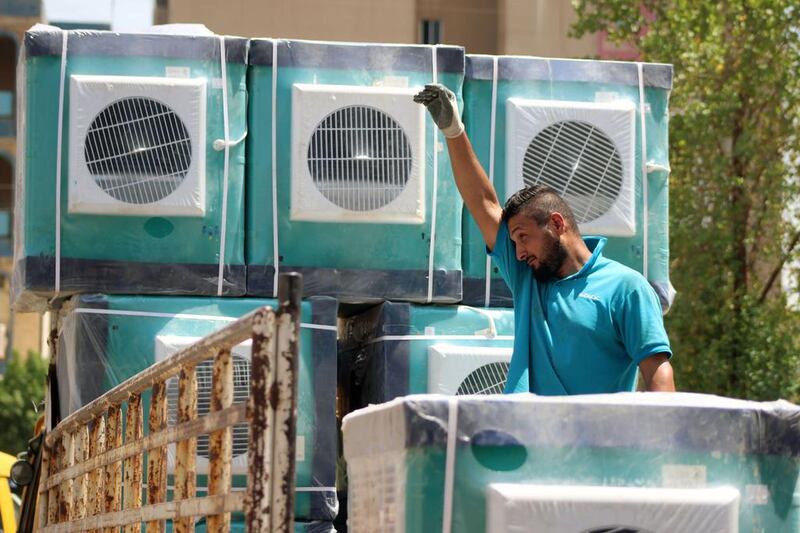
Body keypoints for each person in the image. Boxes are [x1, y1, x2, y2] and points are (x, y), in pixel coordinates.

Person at [414, 84, 675, 394]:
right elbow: (483, 203)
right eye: (514, 241)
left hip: (590, 441)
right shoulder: (528, 277)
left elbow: (658, 372)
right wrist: (453, 130)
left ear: (556, 224)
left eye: (523, 237)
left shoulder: (627, 288)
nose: (519, 252)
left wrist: (661, 438)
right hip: (523, 437)